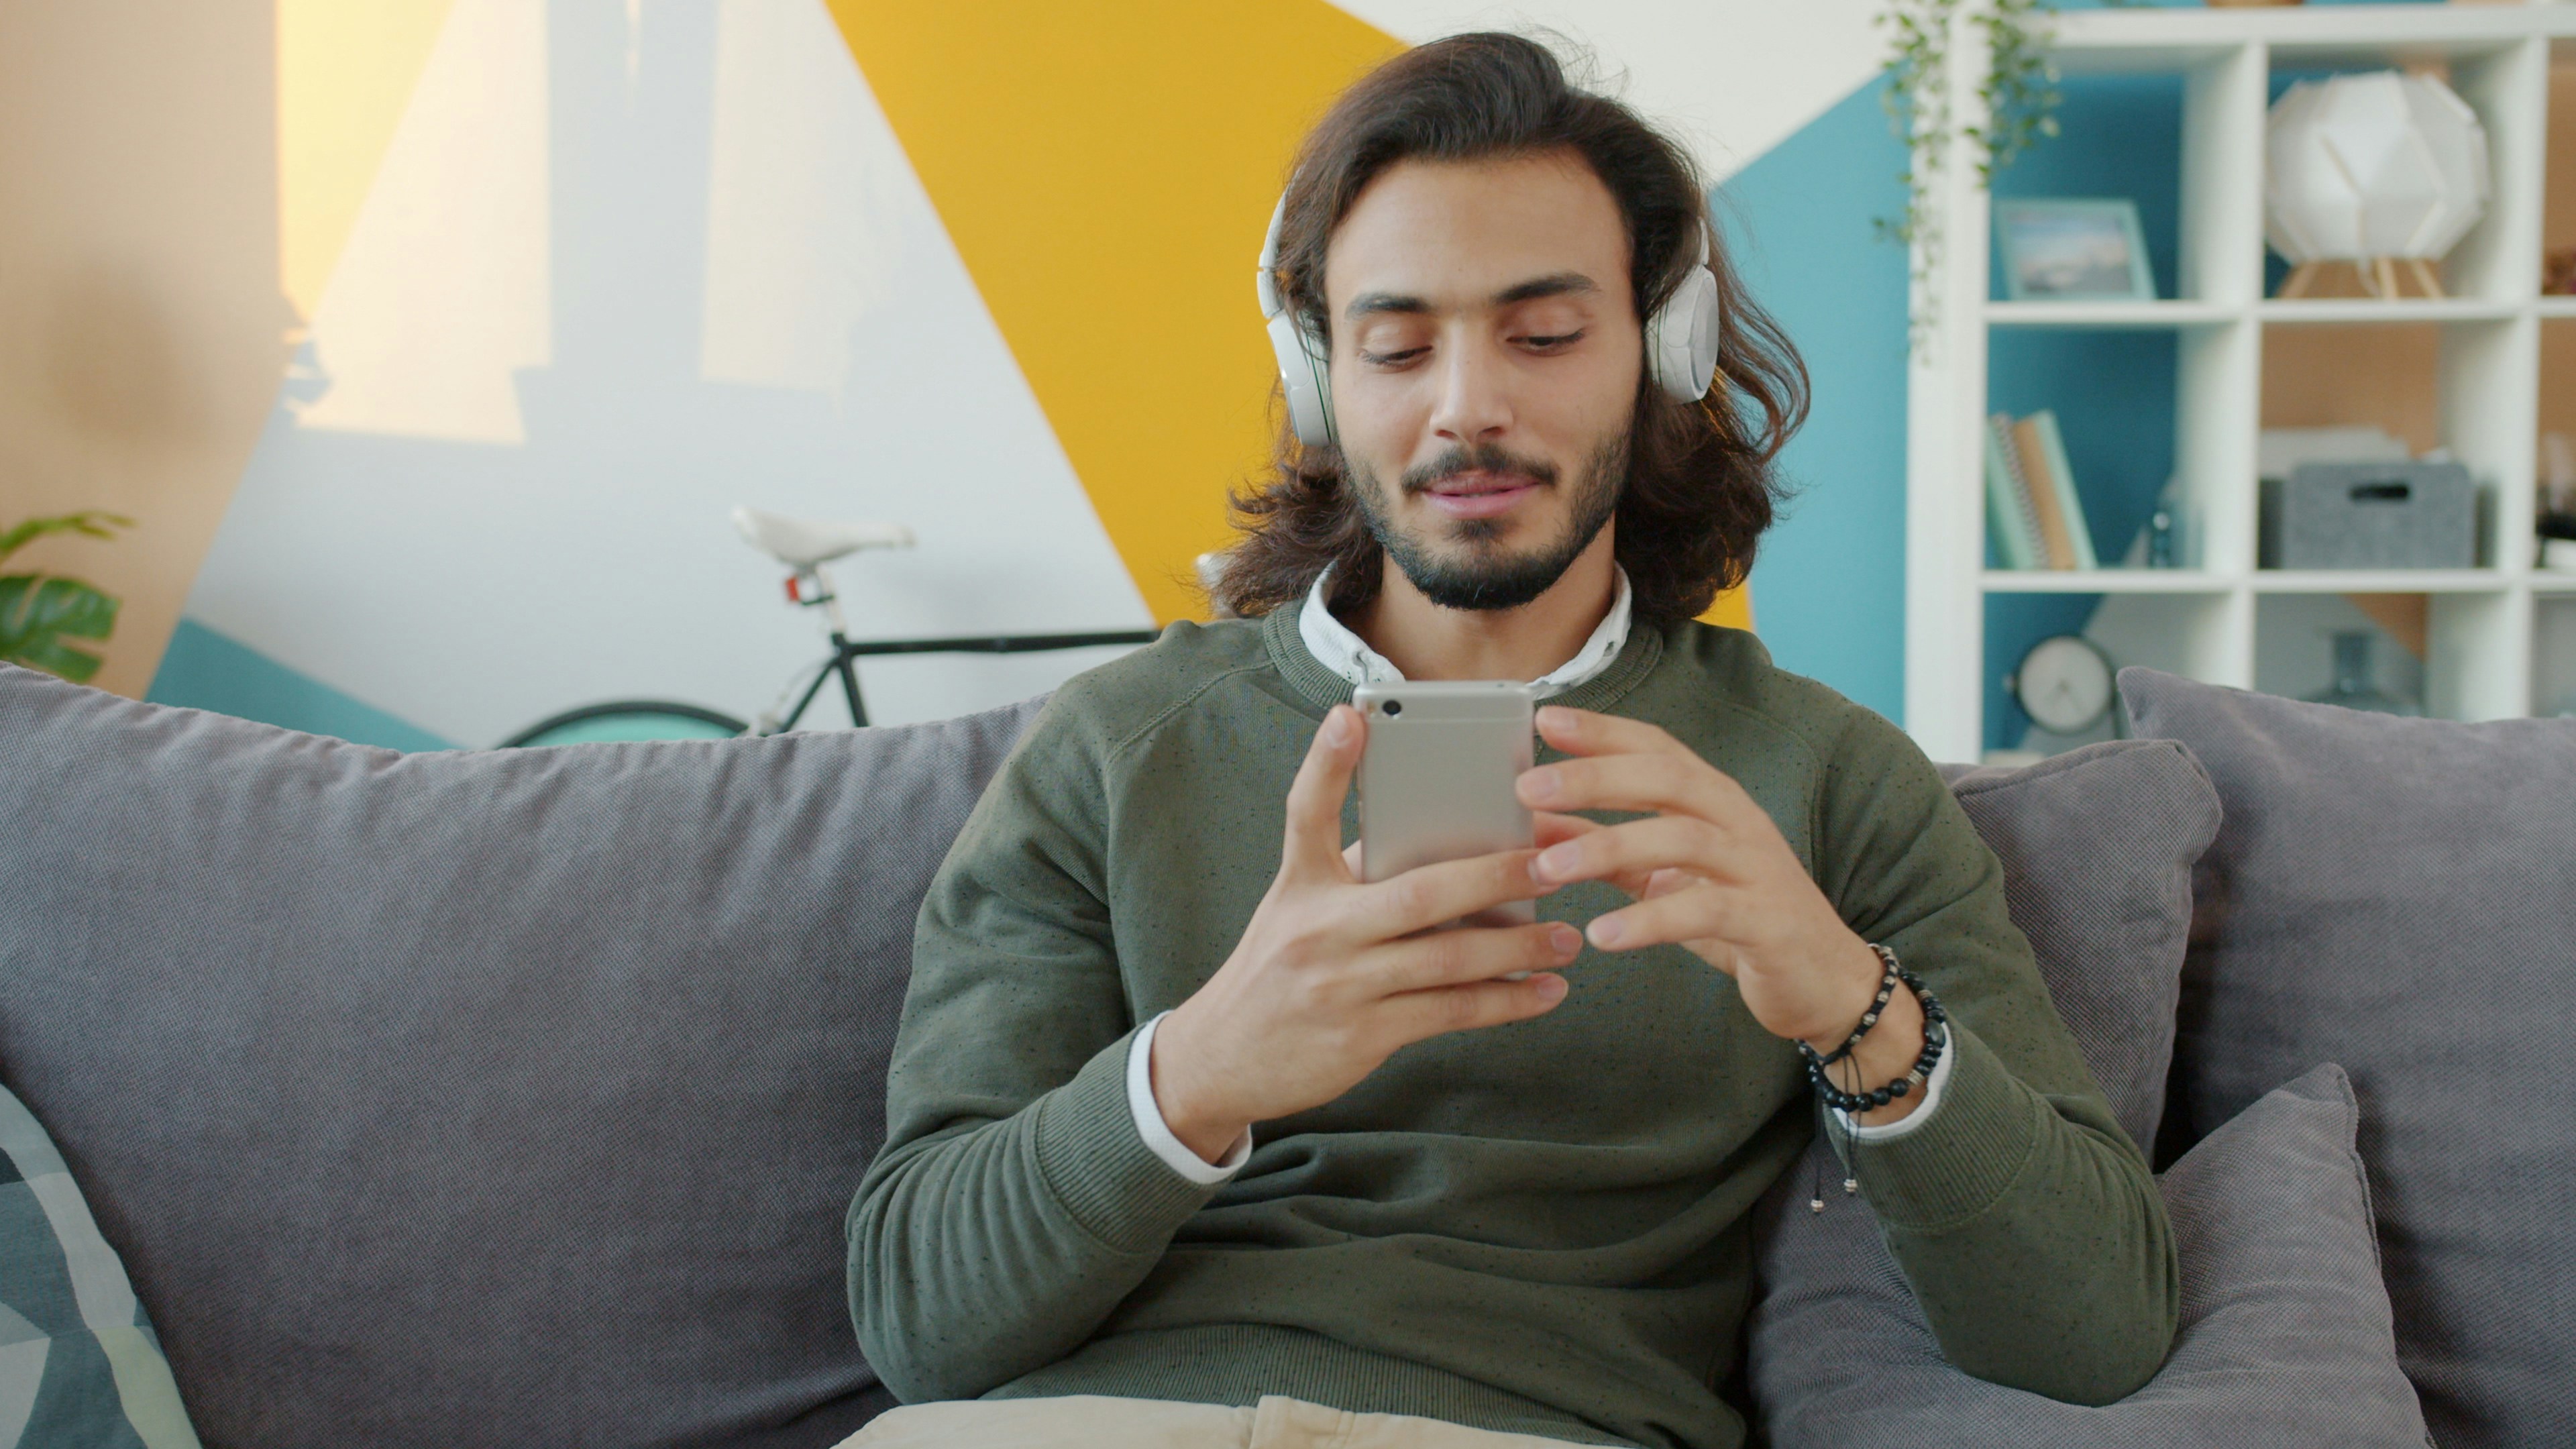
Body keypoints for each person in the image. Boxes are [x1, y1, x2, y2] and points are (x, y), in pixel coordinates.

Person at [843, 32, 2176, 1449]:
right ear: (1319, 379)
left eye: (1543, 335)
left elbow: (2098, 1334)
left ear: (1667, 348)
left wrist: (1849, 1001)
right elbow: (922, 1321)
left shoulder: (1825, 781)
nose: (1467, 404)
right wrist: (1203, 1067)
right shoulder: (1116, 749)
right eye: (1398, 345)